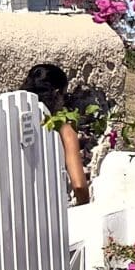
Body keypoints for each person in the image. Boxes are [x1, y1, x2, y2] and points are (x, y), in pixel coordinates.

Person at [21, 64, 91, 204]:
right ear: (58, 93)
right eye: (65, 95)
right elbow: (79, 185)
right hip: (49, 210)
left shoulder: (9, 120)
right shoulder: (63, 128)